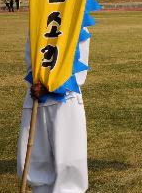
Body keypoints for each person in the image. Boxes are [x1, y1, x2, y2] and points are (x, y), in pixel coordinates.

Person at [18, 32, 90, 192]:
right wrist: (37, 80)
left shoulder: (76, 14)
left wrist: (53, 86)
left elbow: (78, 69)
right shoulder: (39, 16)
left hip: (66, 101)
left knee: (69, 168)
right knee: (36, 165)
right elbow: (32, 59)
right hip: (37, 99)